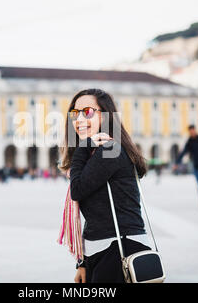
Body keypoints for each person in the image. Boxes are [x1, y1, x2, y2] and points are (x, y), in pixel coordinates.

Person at [58, 88, 151, 283]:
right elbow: (94, 215)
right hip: (103, 250)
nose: (80, 119)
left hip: (120, 249)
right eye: (75, 113)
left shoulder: (110, 149)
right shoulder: (98, 151)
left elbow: (77, 190)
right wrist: (82, 262)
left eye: (88, 112)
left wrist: (82, 148)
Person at [173, 125, 198, 208]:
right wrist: (177, 162)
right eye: (190, 131)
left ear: (195, 130)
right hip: (197, 166)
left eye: (193, 130)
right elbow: (183, 152)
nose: (192, 132)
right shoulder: (190, 141)